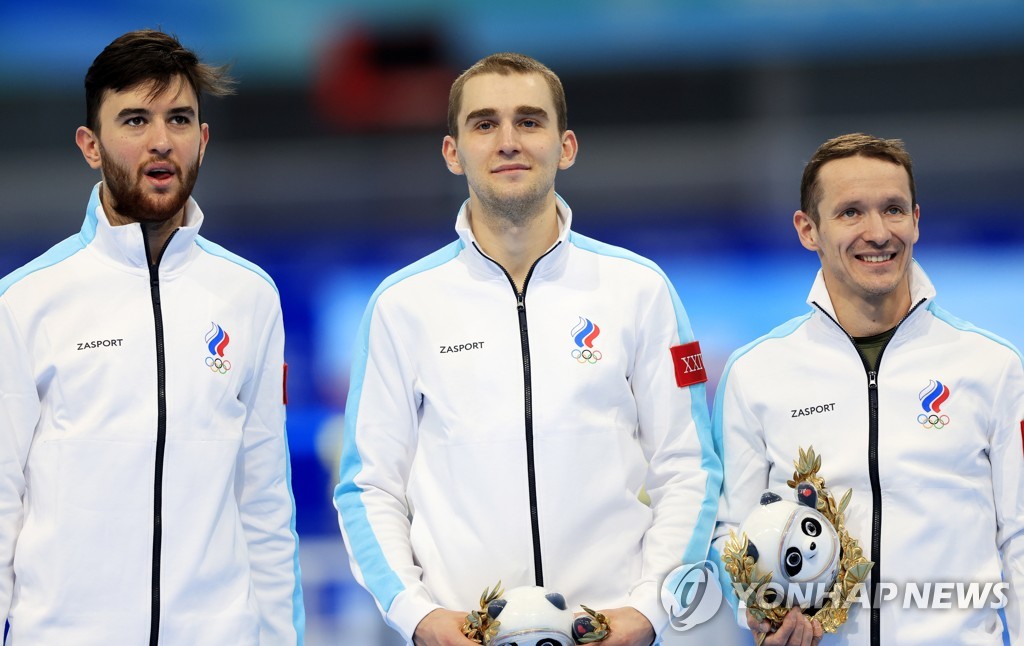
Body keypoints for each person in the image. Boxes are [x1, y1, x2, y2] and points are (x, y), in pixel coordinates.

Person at [334, 52, 720, 646]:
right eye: (484, 124)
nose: (508, 141)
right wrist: (418, 617)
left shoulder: (641, 291)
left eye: (530, 121)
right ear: (452, 151)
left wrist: (649, 610)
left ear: (565, 147)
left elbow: (689, 467)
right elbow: (368, 487)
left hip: (608, 632)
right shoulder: (402, 306)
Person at [0, 30, 304, 644]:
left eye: (180, 119)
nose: (161, 140)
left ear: (203, 139)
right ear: (91, 145)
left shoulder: (249, 297)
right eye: (135, 119)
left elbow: (265, 500)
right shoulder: (25, 302)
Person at [712, 133, 1024, 645]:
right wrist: (762, 609)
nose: (877, 232)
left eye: (894, 210)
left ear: (917, 221)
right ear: (807, 229)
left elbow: (1019, 537)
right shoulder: (756, 372)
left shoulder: (992, 366)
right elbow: (731, 535)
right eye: (851, 212)